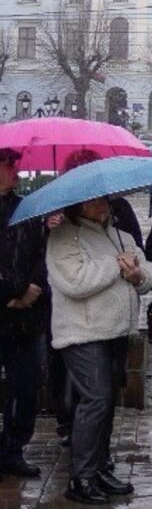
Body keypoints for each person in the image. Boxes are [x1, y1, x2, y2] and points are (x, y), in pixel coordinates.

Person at [48, 186, 152, 505]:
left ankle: (99, 467)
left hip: (116, 331)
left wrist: (136, 273)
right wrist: (115, 265)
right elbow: (75, 281)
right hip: (82, 333)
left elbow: (149, 273)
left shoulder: (121, 234)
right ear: (77, 204)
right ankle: (81, 476)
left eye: (103, 199)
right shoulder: (65, 237)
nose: (101, 205)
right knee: (95, 399)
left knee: (107, 402)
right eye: (92, 200)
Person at [0, 147, 50, 479]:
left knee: (27, 383)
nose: (15, 169)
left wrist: (33, 288)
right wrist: (8, 294)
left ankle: (12, 449)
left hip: (25, 319)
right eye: (8, 165)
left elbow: (42, 253)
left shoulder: (25, 209)